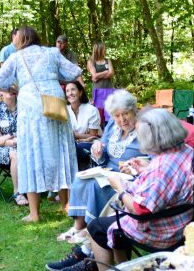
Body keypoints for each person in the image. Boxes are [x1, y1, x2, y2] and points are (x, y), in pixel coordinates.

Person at [49, 109, 194, 271]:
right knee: (111, 215)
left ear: (155, 135)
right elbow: (166, 183)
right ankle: (119, 270)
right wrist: (146, 169)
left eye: (141, 134)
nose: (140, 138)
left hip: (160, 229)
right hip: (179, 219)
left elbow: (140, 209)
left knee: (97, 227)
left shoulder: (162, 167)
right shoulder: (183, 150)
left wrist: (120, 188)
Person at [0, 25, 82, 223]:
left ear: (22, 40)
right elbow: (74, 72)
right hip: (53, 101)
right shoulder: (52, 52)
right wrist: (54, 78)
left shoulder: (16, 57)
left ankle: (34, 213)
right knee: (61, 150)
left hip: (30, 104)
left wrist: (13, 88)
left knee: (31, 153)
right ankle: (66, 205)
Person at [59, 90, 142, 246]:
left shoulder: (143, 129)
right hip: (107, 171)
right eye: (117, 116)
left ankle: (90, 229)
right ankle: (78, 226)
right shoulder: (112, 125)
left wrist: (134, 167)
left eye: (126, 114)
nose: (122, 119)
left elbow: (150, 158)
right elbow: (103, 155)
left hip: (129, 176)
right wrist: (98, 151)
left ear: (134, 111)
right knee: (80, 179)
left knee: (97, 186)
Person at [0, 85, 22, 205]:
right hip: (0, 149)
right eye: (6, 88)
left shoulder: (24, 108)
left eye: (12, 87)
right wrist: (13, 140)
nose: (10, 90)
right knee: (15, 153)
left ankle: (50, 189)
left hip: (23, 143)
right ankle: (18, 192)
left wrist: (8, 137)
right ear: (0, 92)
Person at [66, 81, 102, 168]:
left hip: (90, 143)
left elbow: (93, 135)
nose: (70, 93)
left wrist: (74, 134)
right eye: (67, 91)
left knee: (78, 148)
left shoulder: (91, 110)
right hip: (72, 143)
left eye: (73, 90)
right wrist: (81, 136)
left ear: (80, 92)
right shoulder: (65, 110)